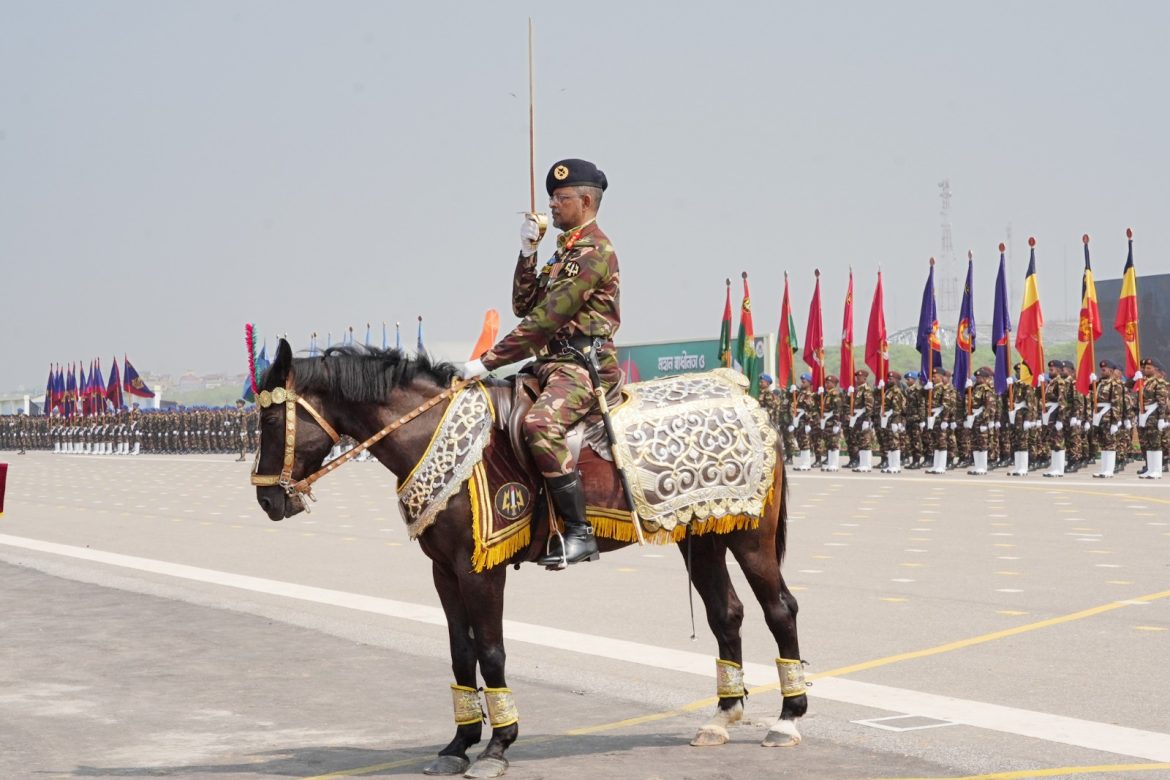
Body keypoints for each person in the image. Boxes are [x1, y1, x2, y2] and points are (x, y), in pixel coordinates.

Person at [461, 159, 619, 568]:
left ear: (585, 202)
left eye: (560, 198)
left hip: (582, 368)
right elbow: (523, 305)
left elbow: (546, 319)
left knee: (540, 425)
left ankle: (579, 532)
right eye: (552, 197)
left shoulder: (594, 252)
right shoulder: (563, 253)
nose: (551, 205)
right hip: (549, 364)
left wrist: (487, 361)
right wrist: (528, 253)